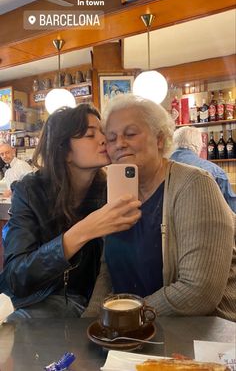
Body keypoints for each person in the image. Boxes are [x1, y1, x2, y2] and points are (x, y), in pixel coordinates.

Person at [85, 94, 236, 322]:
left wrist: (122, 319)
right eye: (111, 138)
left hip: (196, 335)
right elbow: (108, 271)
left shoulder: (194, 185)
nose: (119, 144)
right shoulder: (116, 192)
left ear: (159, 138)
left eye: (130, 134)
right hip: (135, 330)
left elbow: (198, 292)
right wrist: (90, 321)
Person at [0, 104, 141, 322]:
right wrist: (82, 232)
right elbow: (15, 277)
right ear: (64, 151)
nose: (104, 139)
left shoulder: (109, 191)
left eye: (102, 131)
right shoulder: (30, 192)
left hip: (100, 302)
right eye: (89, 135)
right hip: (45, 301)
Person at [170, 126, 236, 213]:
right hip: (205, 223)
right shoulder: (215, 171)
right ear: (199, 146)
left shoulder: (158, 167)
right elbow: (232, 209)